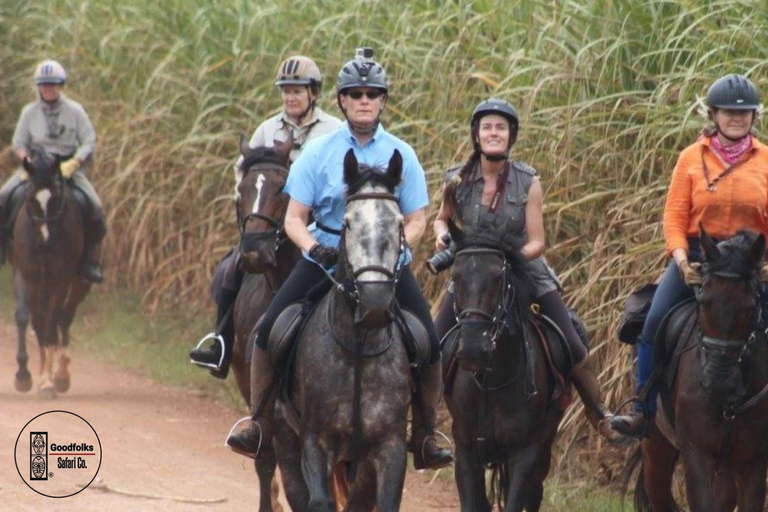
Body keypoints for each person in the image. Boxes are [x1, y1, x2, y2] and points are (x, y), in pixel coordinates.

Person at [225, 48, 453, 470]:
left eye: (372, 94)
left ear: (383, 101)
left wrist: (397, 247)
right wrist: (314, 248)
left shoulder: (402, 153)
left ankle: (424, 433)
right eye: (355, 94)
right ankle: (258, 424)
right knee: (266, 331)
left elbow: (417, 218)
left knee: (428, 340)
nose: (364, 100)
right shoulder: (318, 152)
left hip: (382, 263)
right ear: (342, 101)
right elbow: (294, 218)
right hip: (325, 257)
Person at [433, 98, 613, 436]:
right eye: (487, 126)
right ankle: (424, 427)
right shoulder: (456, 180)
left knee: (572, 345)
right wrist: (443, 238)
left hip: (523, 268)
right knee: (433, 344)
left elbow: (537, 242)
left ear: (511, 135)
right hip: (473, 273)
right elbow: (441, 220)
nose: (493, 133)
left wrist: (510, 256)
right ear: (476, 134)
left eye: (500, 127)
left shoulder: (528, 181)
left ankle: (599, 413)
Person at [611, 74, 768, 437]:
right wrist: (681, 262)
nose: (736, 118)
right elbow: (674, 217)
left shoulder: (765, 161)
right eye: (729, 112)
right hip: (701, 258)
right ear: (713, 115)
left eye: (744, 114)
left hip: (749, 263)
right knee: (653, 322)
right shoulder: (690, 159)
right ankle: (642, 410)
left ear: (754, 118)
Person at [189, 56, 342, 376]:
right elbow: (242, 175)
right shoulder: (266, 129)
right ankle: (221, 343)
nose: (290, 97)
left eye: (298, 90)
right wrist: (250, 208)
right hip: (269, 227)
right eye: (286, 91)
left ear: (314, 92)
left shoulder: (333, 130)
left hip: (318, 229)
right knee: (228, 272)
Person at [0, 59, 104, 282]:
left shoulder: (75, 111)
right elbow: (19, 142)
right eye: (44, 85)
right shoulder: (29, 112)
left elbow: (89, 140)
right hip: (36, 167)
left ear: (60, 85)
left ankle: (89, 262)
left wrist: (75, 161)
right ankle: (2, 248)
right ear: (38, 87)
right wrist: (27, 161)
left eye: (53, 85)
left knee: (96, 207)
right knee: (3, 196)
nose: (48, 89)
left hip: (66, 167)